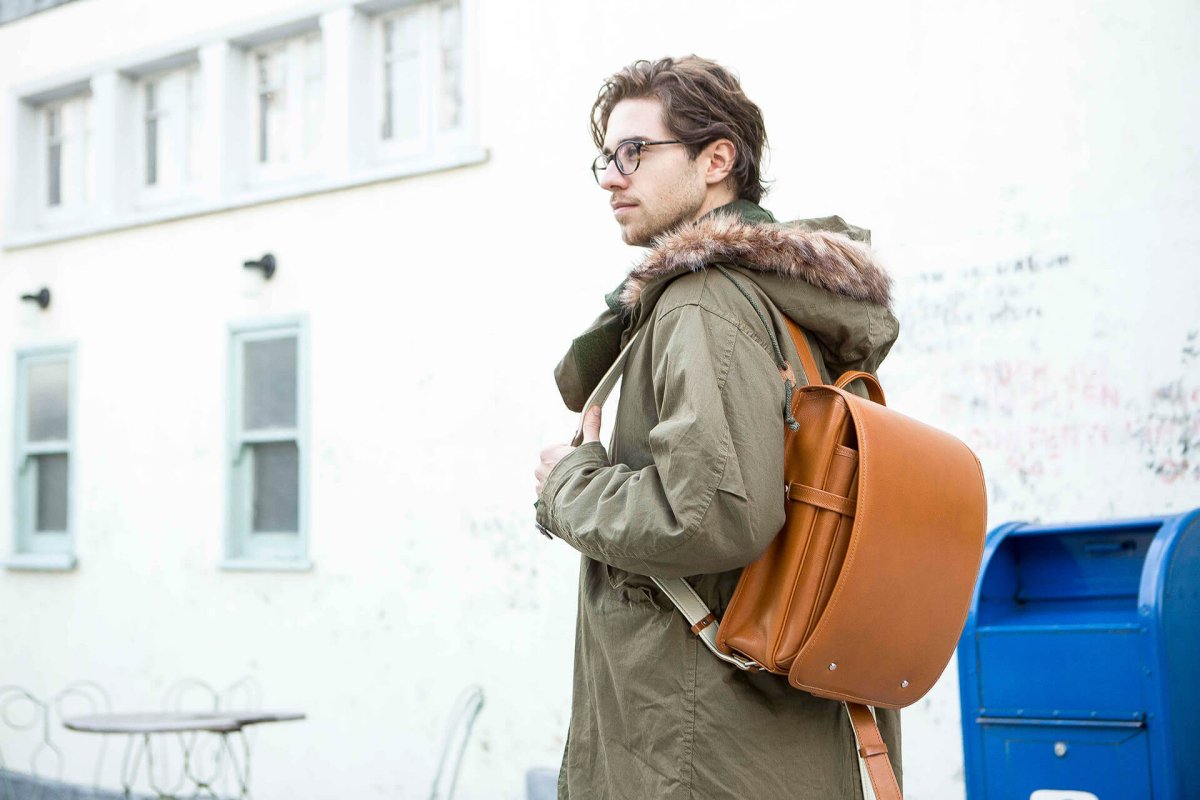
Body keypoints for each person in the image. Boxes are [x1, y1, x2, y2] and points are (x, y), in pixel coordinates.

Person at [534, 55, 902, 799]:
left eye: (634, 151)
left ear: (717, 160)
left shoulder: (705, 304)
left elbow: (707, 515)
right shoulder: (787, 310)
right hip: (764, 735)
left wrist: (566, 485)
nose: (611, 175)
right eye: (605, 157)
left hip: (697, 750)